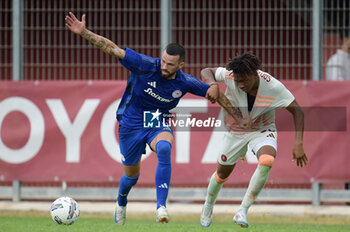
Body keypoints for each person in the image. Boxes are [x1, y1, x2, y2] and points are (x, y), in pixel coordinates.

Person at [65, 12, 248, 225]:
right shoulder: (144, 65)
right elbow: (112, 48)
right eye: (163, 61)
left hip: (155, 119)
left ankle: (161, 206)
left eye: (170, 64)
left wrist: (239, 117)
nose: (164, 67)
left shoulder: (185, 82)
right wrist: (84, 32)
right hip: (131, 121)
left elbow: (218, 96)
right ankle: (121, 200)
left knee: (164, 148)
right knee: (131, 177)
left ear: (181, 65)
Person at [199, 53, 308, 228]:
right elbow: (207, 71)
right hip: (235, 130)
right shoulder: (230, 75)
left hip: (262, 129)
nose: (240, 85)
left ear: (255, 73)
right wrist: (212, 85)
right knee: (221, 175)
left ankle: (242, 210)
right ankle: (208, 206)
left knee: (267, 160)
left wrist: (299, 143)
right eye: (238, 81)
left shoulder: (273, 86)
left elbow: (298, 111)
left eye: (244, 81)